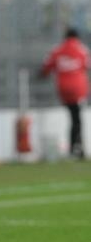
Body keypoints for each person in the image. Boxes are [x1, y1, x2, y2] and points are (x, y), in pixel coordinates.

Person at [41, 27, 90, 159]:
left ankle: (75, 147)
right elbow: (87, 65)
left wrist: (41, 75)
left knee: (73, 117)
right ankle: (77, 148)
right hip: (78, 89)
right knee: (77, 119)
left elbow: (46, 67)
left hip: (63, 89)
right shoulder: (82, 49)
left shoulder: (57, 50)